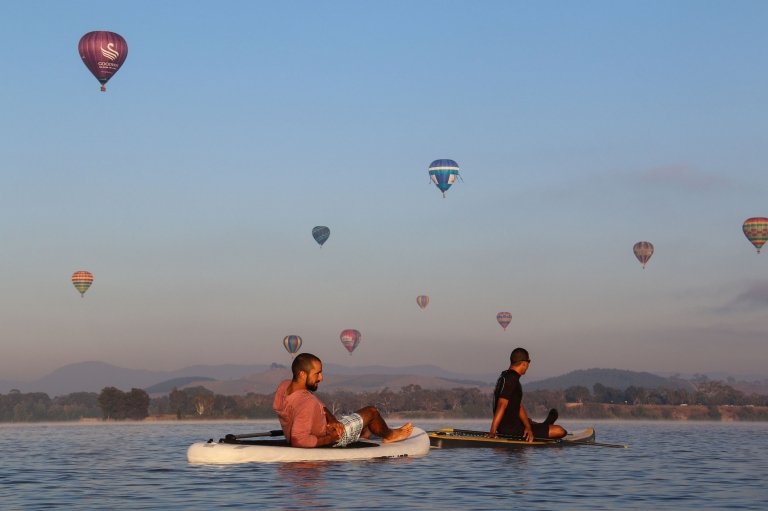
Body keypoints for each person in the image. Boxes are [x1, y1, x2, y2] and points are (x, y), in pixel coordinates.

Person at [273, 353, 414, 448]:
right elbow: (299, 441)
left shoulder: (284, 386)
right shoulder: (306, 403)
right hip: (333, 436)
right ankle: (390, 435)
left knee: (357, 422)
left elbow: (317, 403)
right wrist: (331, 438)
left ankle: (364, 431)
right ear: (303, 374)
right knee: (372, 411)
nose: (321, 378)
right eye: (317, 373)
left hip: (329, 426)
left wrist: (332, 418)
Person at [486, 348, 567, 441]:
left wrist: (527, 426)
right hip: (512, 431)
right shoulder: (510, 379)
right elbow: (501, 405)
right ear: (524, 363)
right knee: (560, 431)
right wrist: (492, 432)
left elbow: (518, 406)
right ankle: (545, 426)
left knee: (530, 423)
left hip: (513, 426)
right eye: (529, 361)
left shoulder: (506, 376)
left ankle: (544, 425)